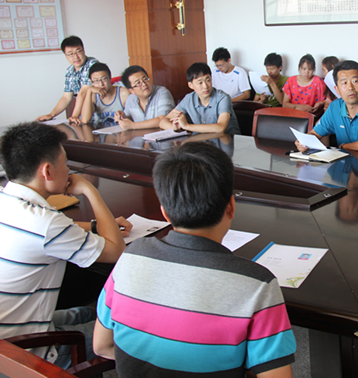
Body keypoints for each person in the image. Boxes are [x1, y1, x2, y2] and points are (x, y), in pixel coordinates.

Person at [93, 142, 296, 377]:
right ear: (231, 207)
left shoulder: (131, 256)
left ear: (165, 212)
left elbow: (102, 346)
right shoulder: (258, 284)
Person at [0, 122, 130, 368]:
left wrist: (94, 226)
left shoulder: (9, 201)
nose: (69, 170)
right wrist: (90, 190)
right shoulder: (46, 224)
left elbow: (44, 233)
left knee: (89, 312)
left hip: (8, 331)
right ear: (47, 171)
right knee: (127, 329)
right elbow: (116, 251)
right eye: (65, 163)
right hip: (26, 352)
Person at [295, 60, 358, 153]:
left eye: (355, 81)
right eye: (344, 83)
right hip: (345, 161)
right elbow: (315, 133)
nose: (350, 87)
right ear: (337, 89)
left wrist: (343, 146)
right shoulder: (335, 107)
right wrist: (303, 142)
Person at [160, 62, 241, 135]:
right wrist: (175, 127)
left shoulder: (222, 98)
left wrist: (187, 126)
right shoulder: (189, 99)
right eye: (200, 83)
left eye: (208, 80)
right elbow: (163, 122)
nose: (205, 86)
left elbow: (220, 128)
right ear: (190, 85)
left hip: (230, 142)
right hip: (204, 142)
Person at [36, 36, 98, 122]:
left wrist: (75, 115)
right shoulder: (70, 71)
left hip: (97, 112)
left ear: (84, 50)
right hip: (82, 112)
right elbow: (66, 97)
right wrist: (51, 114)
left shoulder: (92, 64)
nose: (76, 57)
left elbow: (83, 92)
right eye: (71, 54)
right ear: (66, 56)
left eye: (78, 51)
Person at [115, 65, 175, 130]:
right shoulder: (131, 99)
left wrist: (133, 125)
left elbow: (163, 120)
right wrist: (122, 117)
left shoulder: (162, 93)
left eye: (145, 79)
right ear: (131, 91)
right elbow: (128, 119)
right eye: (138, 83)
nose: (144, 84)